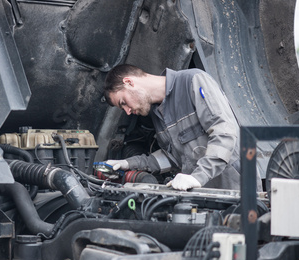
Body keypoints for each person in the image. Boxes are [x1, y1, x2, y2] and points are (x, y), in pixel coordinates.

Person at [103, 64, 243, 191]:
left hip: (236, 192)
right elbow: (172, 158)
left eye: (123, 102)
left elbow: (224, 133)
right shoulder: (157, 113)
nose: (127, 111)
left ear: (129, 82)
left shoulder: (192, 80)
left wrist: (198, 177)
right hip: (202, 198)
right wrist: (127, 163)